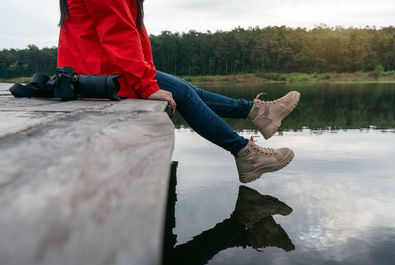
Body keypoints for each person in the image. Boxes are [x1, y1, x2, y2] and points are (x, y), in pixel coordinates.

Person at [57, 0, 300, 183]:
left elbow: (131, 33)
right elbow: (117, 33)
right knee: (182, 94)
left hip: (100, 70)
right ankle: (246, 152)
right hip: (99, 75)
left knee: (184, 89)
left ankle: (256, 113)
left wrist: (148, 74)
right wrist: (146, 85)